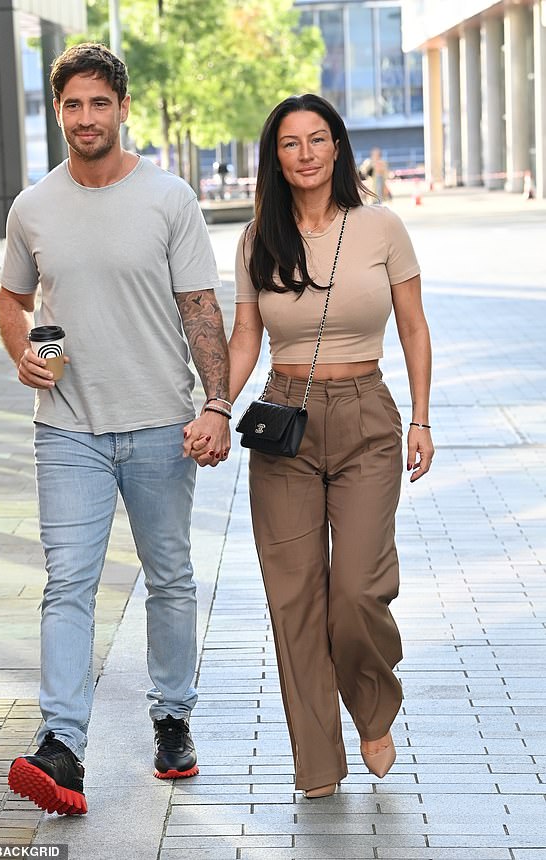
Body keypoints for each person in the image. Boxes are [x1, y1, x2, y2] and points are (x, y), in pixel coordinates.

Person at [0, 43, 231, 816]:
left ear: (122, 108)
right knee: (69, 584)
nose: (86, 117)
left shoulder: (169, 199)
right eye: (73, 104)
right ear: (58, 111)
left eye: (100, 103)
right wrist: (27, 351)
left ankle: (171, 718)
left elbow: (200, 307)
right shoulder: (33, 207)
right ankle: (62, 744)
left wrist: (215, 405)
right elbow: (22, 301)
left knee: (170, 578)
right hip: (67, 429)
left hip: (162, 422)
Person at [186, 94, 433, 798]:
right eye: (290, 143)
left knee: (356, 590)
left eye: (317, 139)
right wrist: (214, 405)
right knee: (293, 597)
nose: (305, 153)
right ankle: (318, 766)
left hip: (366, 417)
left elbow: (413, 327)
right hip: (283, 418)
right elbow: (245, 338)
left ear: (337, 147)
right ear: (276, 156)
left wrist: (421, 419)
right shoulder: (257, 237)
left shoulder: (381, 226)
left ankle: (374, 705)